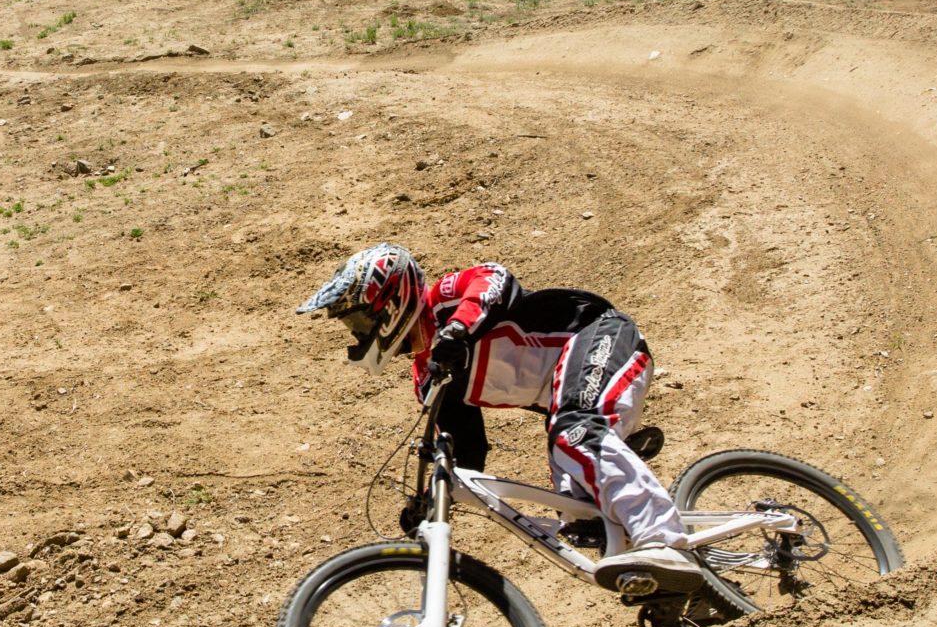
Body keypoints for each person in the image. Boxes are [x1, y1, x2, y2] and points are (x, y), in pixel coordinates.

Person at [297, 244, 706, 597]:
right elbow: (467, 452)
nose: (357, 334)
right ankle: (680, 590)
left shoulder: (443, 300)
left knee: (575, 435)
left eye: (359, 321)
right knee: (580, 519)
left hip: (601, 336)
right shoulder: (430, 376)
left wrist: (457, 330)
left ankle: (666, 542)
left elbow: (496, 279)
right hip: (566, 398)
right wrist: (428, 499)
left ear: (388, 302)